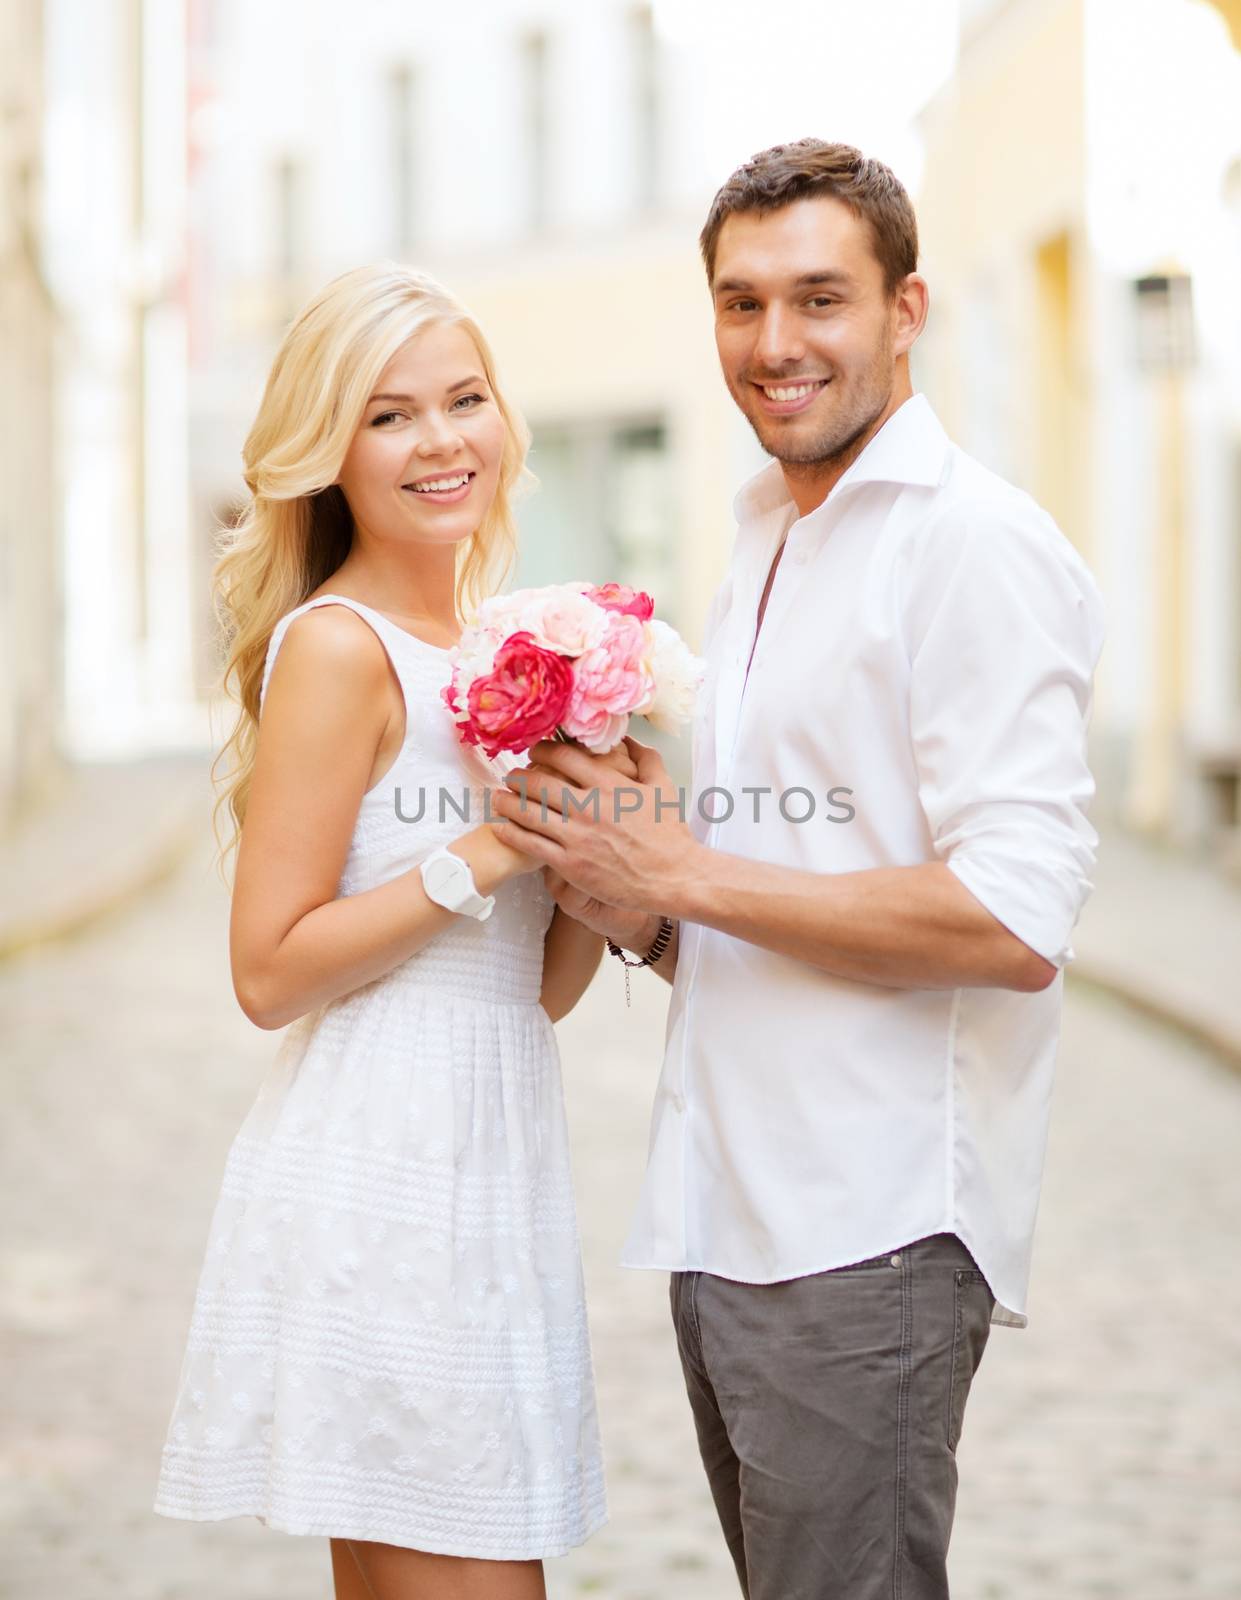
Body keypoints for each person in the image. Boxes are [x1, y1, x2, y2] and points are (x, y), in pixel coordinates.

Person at [490, 140, 1107, 1599]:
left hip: (866, 1229)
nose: (774, 345)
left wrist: (689, 877)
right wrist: (633, 901)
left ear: (906, 311)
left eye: (818, 298)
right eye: (739, 303)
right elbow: (777, 887)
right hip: (729, 1212)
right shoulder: (766, 537)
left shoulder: (971, 548)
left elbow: (1015, 917)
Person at [152, 263, 624, 1600]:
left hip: (490, 1162)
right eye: (390, 415)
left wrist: (584, 837)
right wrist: (485, 847)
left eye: (464, 401)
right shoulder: (341, 647)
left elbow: (527, 993)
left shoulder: (490, 650)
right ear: (331, 454)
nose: (441, 442)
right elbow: (266, 970)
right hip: (381, 1180)